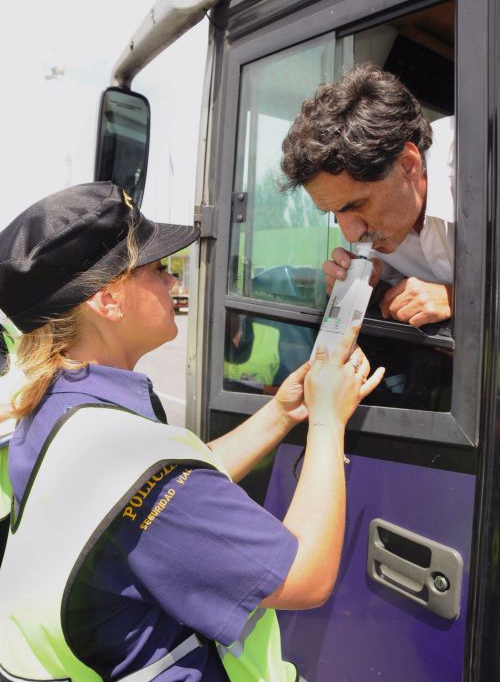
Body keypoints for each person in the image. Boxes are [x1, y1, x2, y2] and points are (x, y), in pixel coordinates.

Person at [0, 182, 383, 682]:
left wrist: (281, 413)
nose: (172, 281)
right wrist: (329, 420)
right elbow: (305, 577)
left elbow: (175, 496)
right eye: (157, 268)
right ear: (108, 300)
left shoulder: (54, 406)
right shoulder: (132, 463)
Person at [281, 63, 455, 328]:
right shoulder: (377, 227)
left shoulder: (483, 159)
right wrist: (366, 289)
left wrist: (456, 298)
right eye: (335, 213)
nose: (351, 234)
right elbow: (398, 288)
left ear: (408, 164)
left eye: (358, 205)